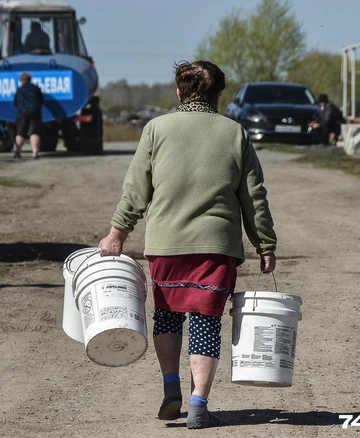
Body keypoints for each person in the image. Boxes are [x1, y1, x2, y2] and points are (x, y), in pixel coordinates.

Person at [98, 60, 277, 429]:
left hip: (166, 245)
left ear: (179, 91)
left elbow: (136, 190)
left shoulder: (156, 129)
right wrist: (265, 244)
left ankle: (170, 388)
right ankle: (198, 404)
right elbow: (253, 196)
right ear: (218, 95)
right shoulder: (235, 133)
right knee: (206, 323)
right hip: (216, 248)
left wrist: (117, 233)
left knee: (167, 315)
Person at [13, 72, 44, 159]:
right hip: (34, 111)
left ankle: (17, 151)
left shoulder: (19, 90)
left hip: (22, 112)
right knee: (34, 132)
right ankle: (35, 152)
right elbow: (41, 101)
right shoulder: (36, 88)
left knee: (20, 132)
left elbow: (15, 103)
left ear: (21, 80)